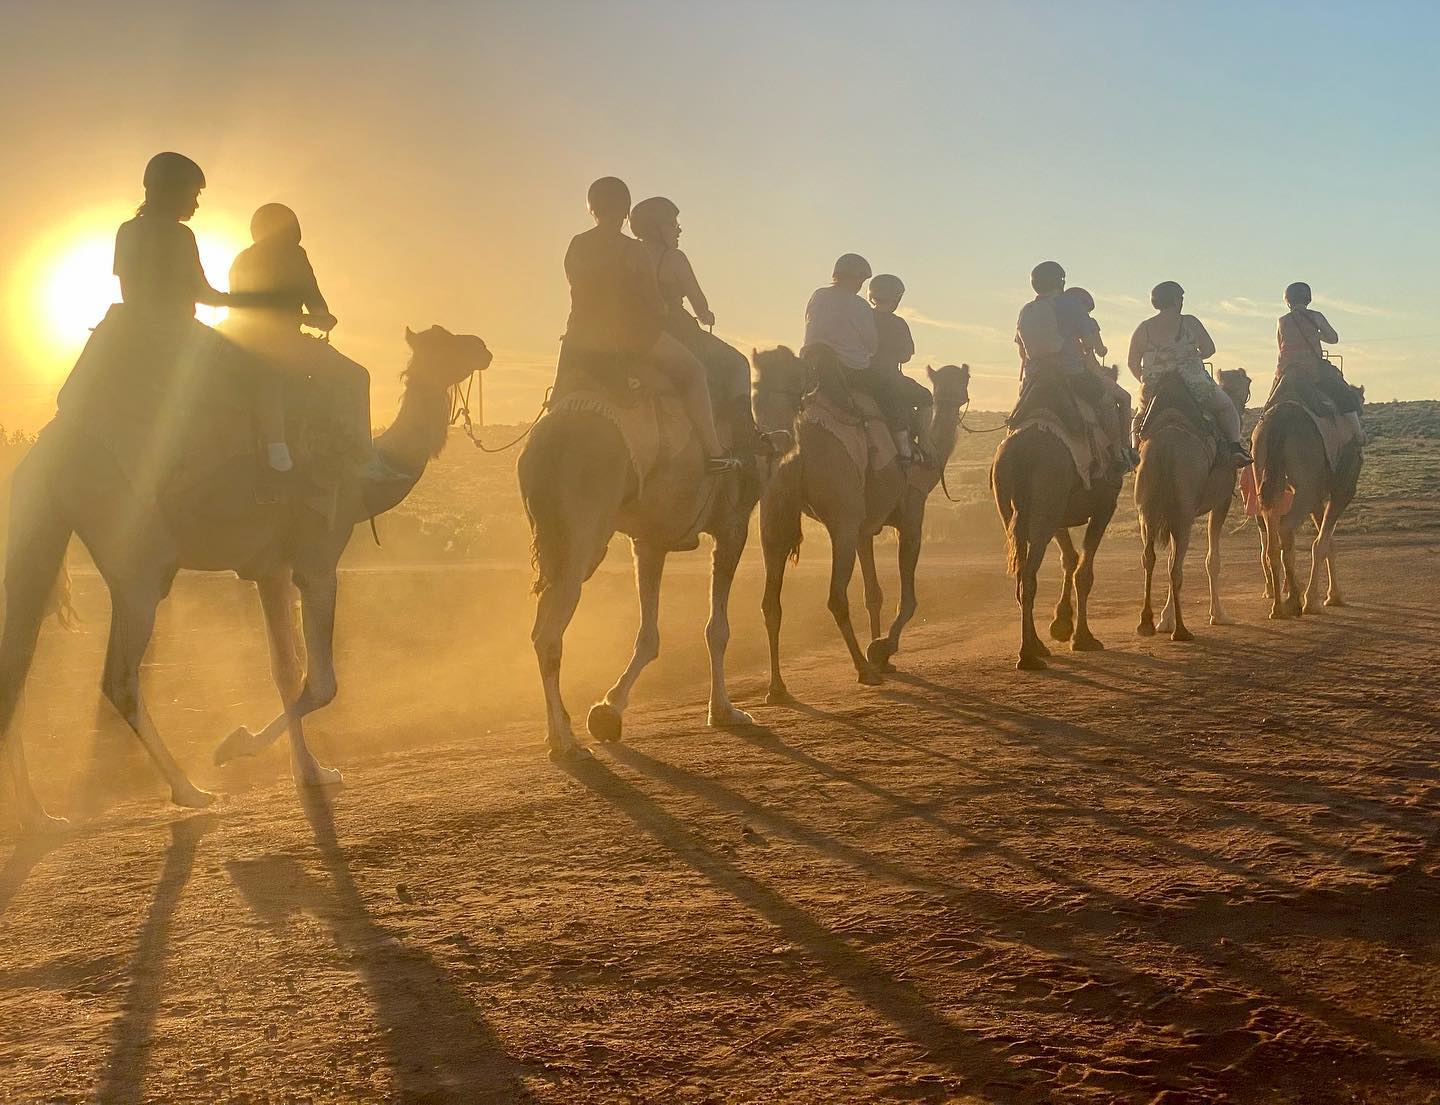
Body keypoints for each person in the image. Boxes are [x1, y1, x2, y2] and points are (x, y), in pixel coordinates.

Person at [56, 152, 274, 470]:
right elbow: (204, 294)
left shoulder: (127, 231)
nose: (196, 204)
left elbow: (129, 287)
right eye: (193, 194)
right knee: (259, 372)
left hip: (125, 326)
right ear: (171, 190)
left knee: (71, 399)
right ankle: (273, 459)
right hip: (176, 330)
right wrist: (252, 302)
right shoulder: (181, 235)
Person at [561, 177, 736, 473]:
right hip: (633, 338)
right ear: (625, 210)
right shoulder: (633, 251)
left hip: (580, 336)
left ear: (592, 208)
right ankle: (714, 452)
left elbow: (576, 286)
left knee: (560, 395)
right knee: (694, 372)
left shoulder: (577, 244)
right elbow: (653, 304)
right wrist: (661, 308)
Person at [227, 203, 370, 471]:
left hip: (244, 343)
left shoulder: (241, 259)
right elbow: (317, 306)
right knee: (356, 376)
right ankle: (361, 456)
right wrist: (319, 319)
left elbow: (240, 307)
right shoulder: (294, 255)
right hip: (285, 343)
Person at [627, 196, 758, 449]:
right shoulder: (674, 258)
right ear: (655, 228)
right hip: (680, 334)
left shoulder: (629, 255)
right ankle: (745, 438)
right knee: (738, 364)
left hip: (638, 335)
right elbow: (699, 303)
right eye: (672, 224)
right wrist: (706, 315)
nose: (678, 229)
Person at [1127, 281, 1251, 466]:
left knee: (1140, 415)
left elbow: (1132, 362)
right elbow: (1209, 348)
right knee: (1226, 407)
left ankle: (1134, 453)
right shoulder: (1190, 322)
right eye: (1181, 298)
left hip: (1155, 385)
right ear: (1176, 301)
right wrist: (1193, 356)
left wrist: (1146, 380)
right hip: (1192, 381)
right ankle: (1234, 448)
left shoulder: (1144, 327)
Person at [1272, 281, 1363, 438]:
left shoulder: (1282, 321)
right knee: (1345, 396)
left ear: (1288, 301)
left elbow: (1281, 345)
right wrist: (1316, 335)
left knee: (1269, 404)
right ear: (1308, 299)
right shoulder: (1316, 316)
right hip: (1313, 369)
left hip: (1286, 370)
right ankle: (1358, 434)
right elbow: (1333, 338)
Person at [1063, 286, 1138, 468]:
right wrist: (1102, 348)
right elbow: (1099, 348)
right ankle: (1121, 449)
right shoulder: (1088, 322)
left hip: (1043, 374)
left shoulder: (1049, 319)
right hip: (1087, 372)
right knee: (1124, 398)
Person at [867, 274, 928, 463]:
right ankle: (917, 447)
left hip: (857, 374)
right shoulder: (898, 323)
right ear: (896, 298)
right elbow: (906, 355)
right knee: (926, 397)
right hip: (888, 378)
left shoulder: (863, 318)